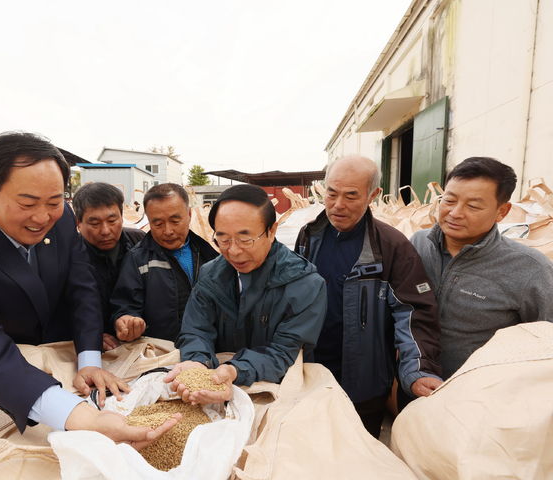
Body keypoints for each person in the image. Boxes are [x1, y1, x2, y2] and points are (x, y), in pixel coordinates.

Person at [0, 132, 178, 447]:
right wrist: (85, 419)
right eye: (27, 203)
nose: (42, 218)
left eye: (53, 202)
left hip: (63, 353)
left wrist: (90, 361)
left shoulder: (63, 219)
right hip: (11, 376)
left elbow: (82, 289)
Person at [294, 155, 442, 438]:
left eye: (351, 196)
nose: (338, 205)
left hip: (365, 381)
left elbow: (414, 313)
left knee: (361, 455)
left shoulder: (391, 245)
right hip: (312, 374)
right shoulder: (308, 236)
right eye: (332, 193)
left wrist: (418, 370)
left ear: (373, 195)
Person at [165, 184, 327, 404]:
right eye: (223, 239)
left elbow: (283, 353)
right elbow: (196, 330)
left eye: (245, 239)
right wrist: (197, 362)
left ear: (272, 231)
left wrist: (235, 371)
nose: (233, 250)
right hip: (217, 382)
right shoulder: (211, 275)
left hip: (277, 392)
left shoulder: (305, 285)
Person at [411, 156, 553, 379]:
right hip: (412, 383)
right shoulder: (418, 244)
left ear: (502, 212)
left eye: (473, 206)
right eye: (449, 200)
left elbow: (545, 345)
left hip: (481, 398)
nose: (455, 213)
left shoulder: (532, 270)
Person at [110, 183, 218, 343]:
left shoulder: (209, 255)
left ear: (189, 214)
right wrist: (126, 320)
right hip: (162, 352)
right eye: (158, 224)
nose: (168, 231)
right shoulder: (137, 259)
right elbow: (125, 305)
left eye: (175, 221)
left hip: (209, 348)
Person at [71, 182, 145, 351]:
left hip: (137, 341)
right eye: (95, 223)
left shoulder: (139, 242)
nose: (105, 231)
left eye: (112, 220)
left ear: (122, 215)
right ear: (78, 223)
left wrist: (134, 322)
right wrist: (90, 335)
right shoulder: (69, 254)